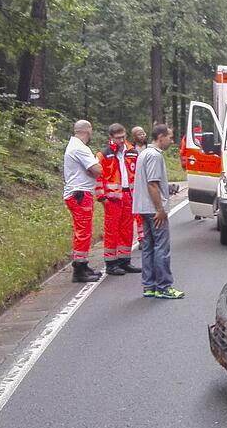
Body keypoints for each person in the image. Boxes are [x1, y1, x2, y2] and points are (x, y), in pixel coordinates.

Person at [132, 124, 183, 299]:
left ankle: (149, 286)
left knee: (148, 247)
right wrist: (160, 209)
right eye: (170, 136)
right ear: (160, 136)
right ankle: (164, 286)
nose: (172, 140)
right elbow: (152, 184)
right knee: (161, 247)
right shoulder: (154, 156)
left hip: (142, 207)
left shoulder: (144, 153)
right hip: (153, 208)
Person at [95, 124, 142, 275]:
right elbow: (98, 177)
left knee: (127, 230)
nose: (121, 140)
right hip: (112, 198)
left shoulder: (132, 152)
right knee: (112, 230)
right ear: (111, 138)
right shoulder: (104, 154)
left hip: (129, 195)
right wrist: (102, 198)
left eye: (123, 137)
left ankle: (124, 260)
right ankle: (111, 263)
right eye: (118, 138)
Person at [64, 120, 103, 283]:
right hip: (80, 193)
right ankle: (79, 270)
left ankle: (83, 264)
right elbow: (97, 170)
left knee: (84, 230)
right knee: (83, 231)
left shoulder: (74, 146)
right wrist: (97, 165)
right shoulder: (80, 148)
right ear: (88, 130)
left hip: (78, 192)